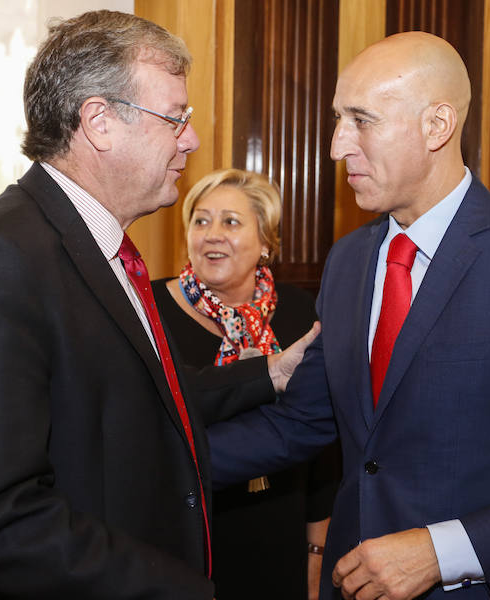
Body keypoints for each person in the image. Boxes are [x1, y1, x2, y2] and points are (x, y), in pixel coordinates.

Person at [208, 31, 490, 600]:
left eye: (360, 120)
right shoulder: (348, 260)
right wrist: (145, 459)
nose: (336, 145)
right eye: (338, 119)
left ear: (437, 126)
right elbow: (302, 422)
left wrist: (441, 552)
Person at [0, 11, 314, 600]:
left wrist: (271, 373)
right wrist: (179, 589)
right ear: (99, 123)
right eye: (175, 118)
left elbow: (139, 398)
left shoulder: (98, 248)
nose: (190, 139)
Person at [152, 168, 340, 600]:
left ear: (266, 243)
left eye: (231, 222)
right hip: (182, 541)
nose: (212, 234)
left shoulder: (300, 312)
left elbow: (325, 452)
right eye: (201, 220)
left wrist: (316, 551)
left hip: (279, 534)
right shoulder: (151, 310)